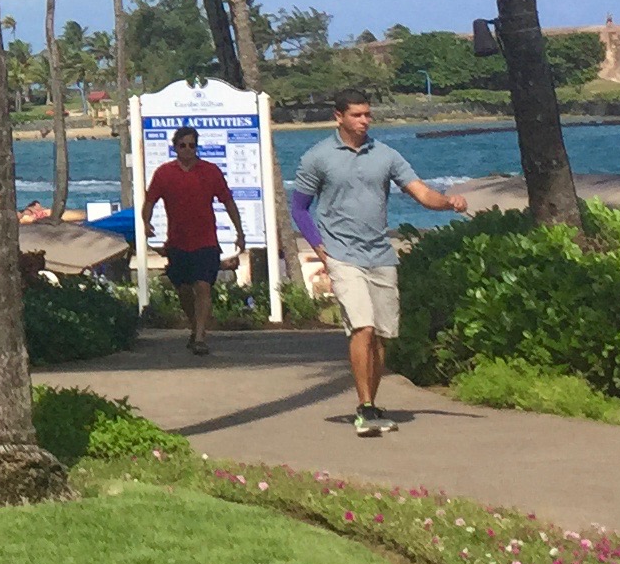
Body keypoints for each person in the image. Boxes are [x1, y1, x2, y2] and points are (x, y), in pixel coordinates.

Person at [287, 87, 466, 436]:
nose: (364, 121)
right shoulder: (317, 157)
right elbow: (299, 208)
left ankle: (372, 402)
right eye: (357, 115)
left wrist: (448, 202)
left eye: (368, 114)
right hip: (342, 254)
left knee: (382, 335)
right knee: (363, 327)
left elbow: (421, 192)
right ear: (339, 116)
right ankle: (365, 406)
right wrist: (320, 248)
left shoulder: (385, 155)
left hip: (380, 254)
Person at [143, 125, 248, 357]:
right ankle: (195, 325)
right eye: (183, 145)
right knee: (183, 290)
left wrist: (240, 232)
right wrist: (146, 223)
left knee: (203, 286)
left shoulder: (210, 171)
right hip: (177, 242)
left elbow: (228, 202)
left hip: (206, 241)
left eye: (192, 145)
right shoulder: (164, 173)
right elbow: (149, 201)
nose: (188, 149)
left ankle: (200, 336)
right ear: (175, 147)